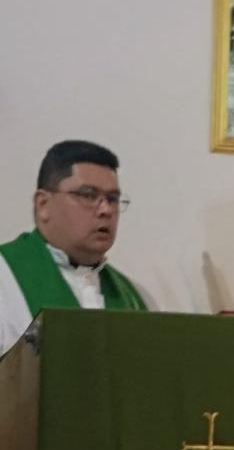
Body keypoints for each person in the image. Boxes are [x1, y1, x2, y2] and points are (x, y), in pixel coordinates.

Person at [0, 140, 147, 357]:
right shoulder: (5, 277)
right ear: (43, 205)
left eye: (113, 199)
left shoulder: (133, 296)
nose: (106, 209)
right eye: (88, 195)